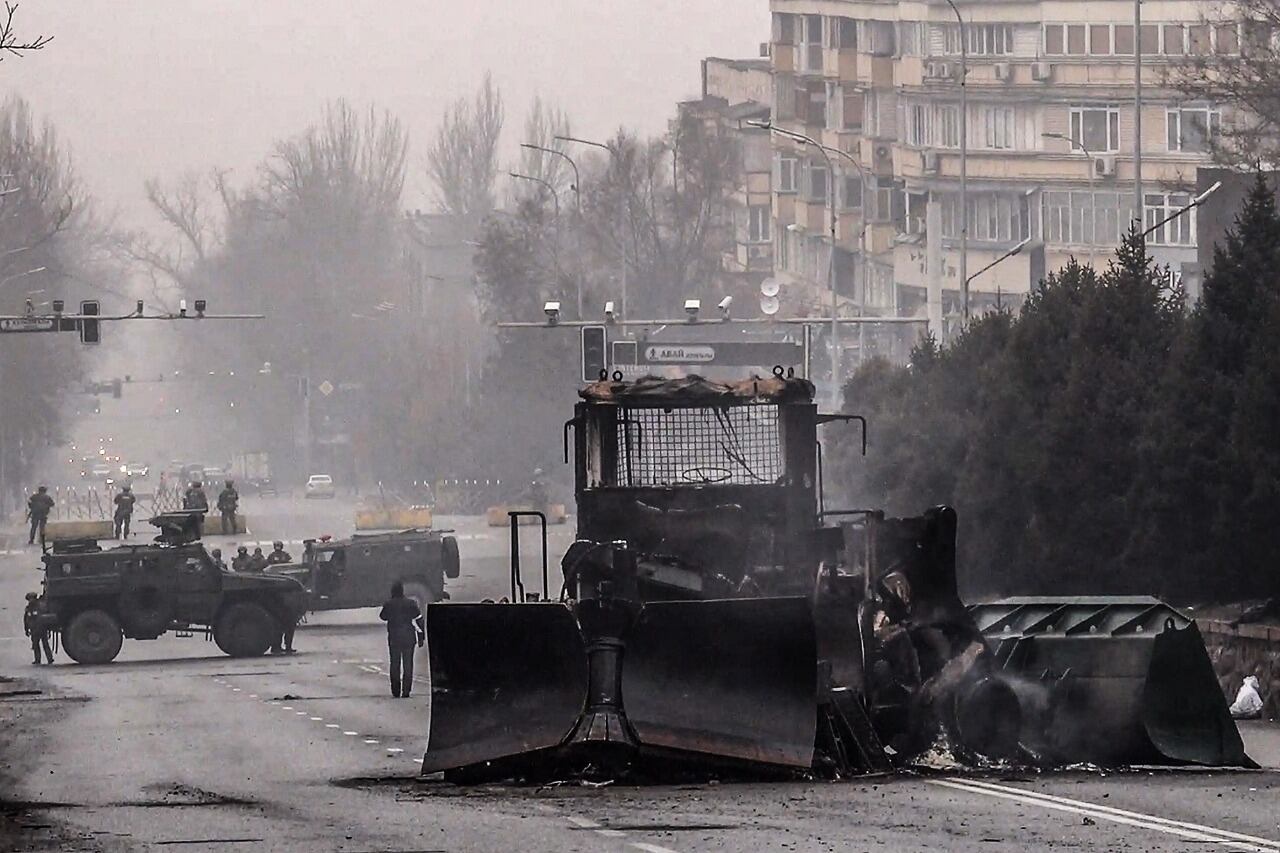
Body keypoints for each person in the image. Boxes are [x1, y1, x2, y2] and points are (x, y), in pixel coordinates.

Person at [378, 581, 424, 698]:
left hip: (394, 638)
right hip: (409, 637)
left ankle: (396, 690)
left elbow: (383, 616)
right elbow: (419, 620)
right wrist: (421, 637)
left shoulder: (389, 604)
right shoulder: (411, 603)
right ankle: (406, 691)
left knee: (395, 664)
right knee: (408, 664)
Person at [23, 592, 53, 665]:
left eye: (31, 599)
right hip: (34, 630)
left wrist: (47, 628)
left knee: (45, 644)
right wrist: (26, 629)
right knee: (36, 645)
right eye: (29, 599)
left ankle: (50, 659)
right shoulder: (28, 608)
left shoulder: (41, 607)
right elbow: (26, 619)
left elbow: (44, 619)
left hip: (42, 629)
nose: (30, 601)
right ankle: (37, 659)